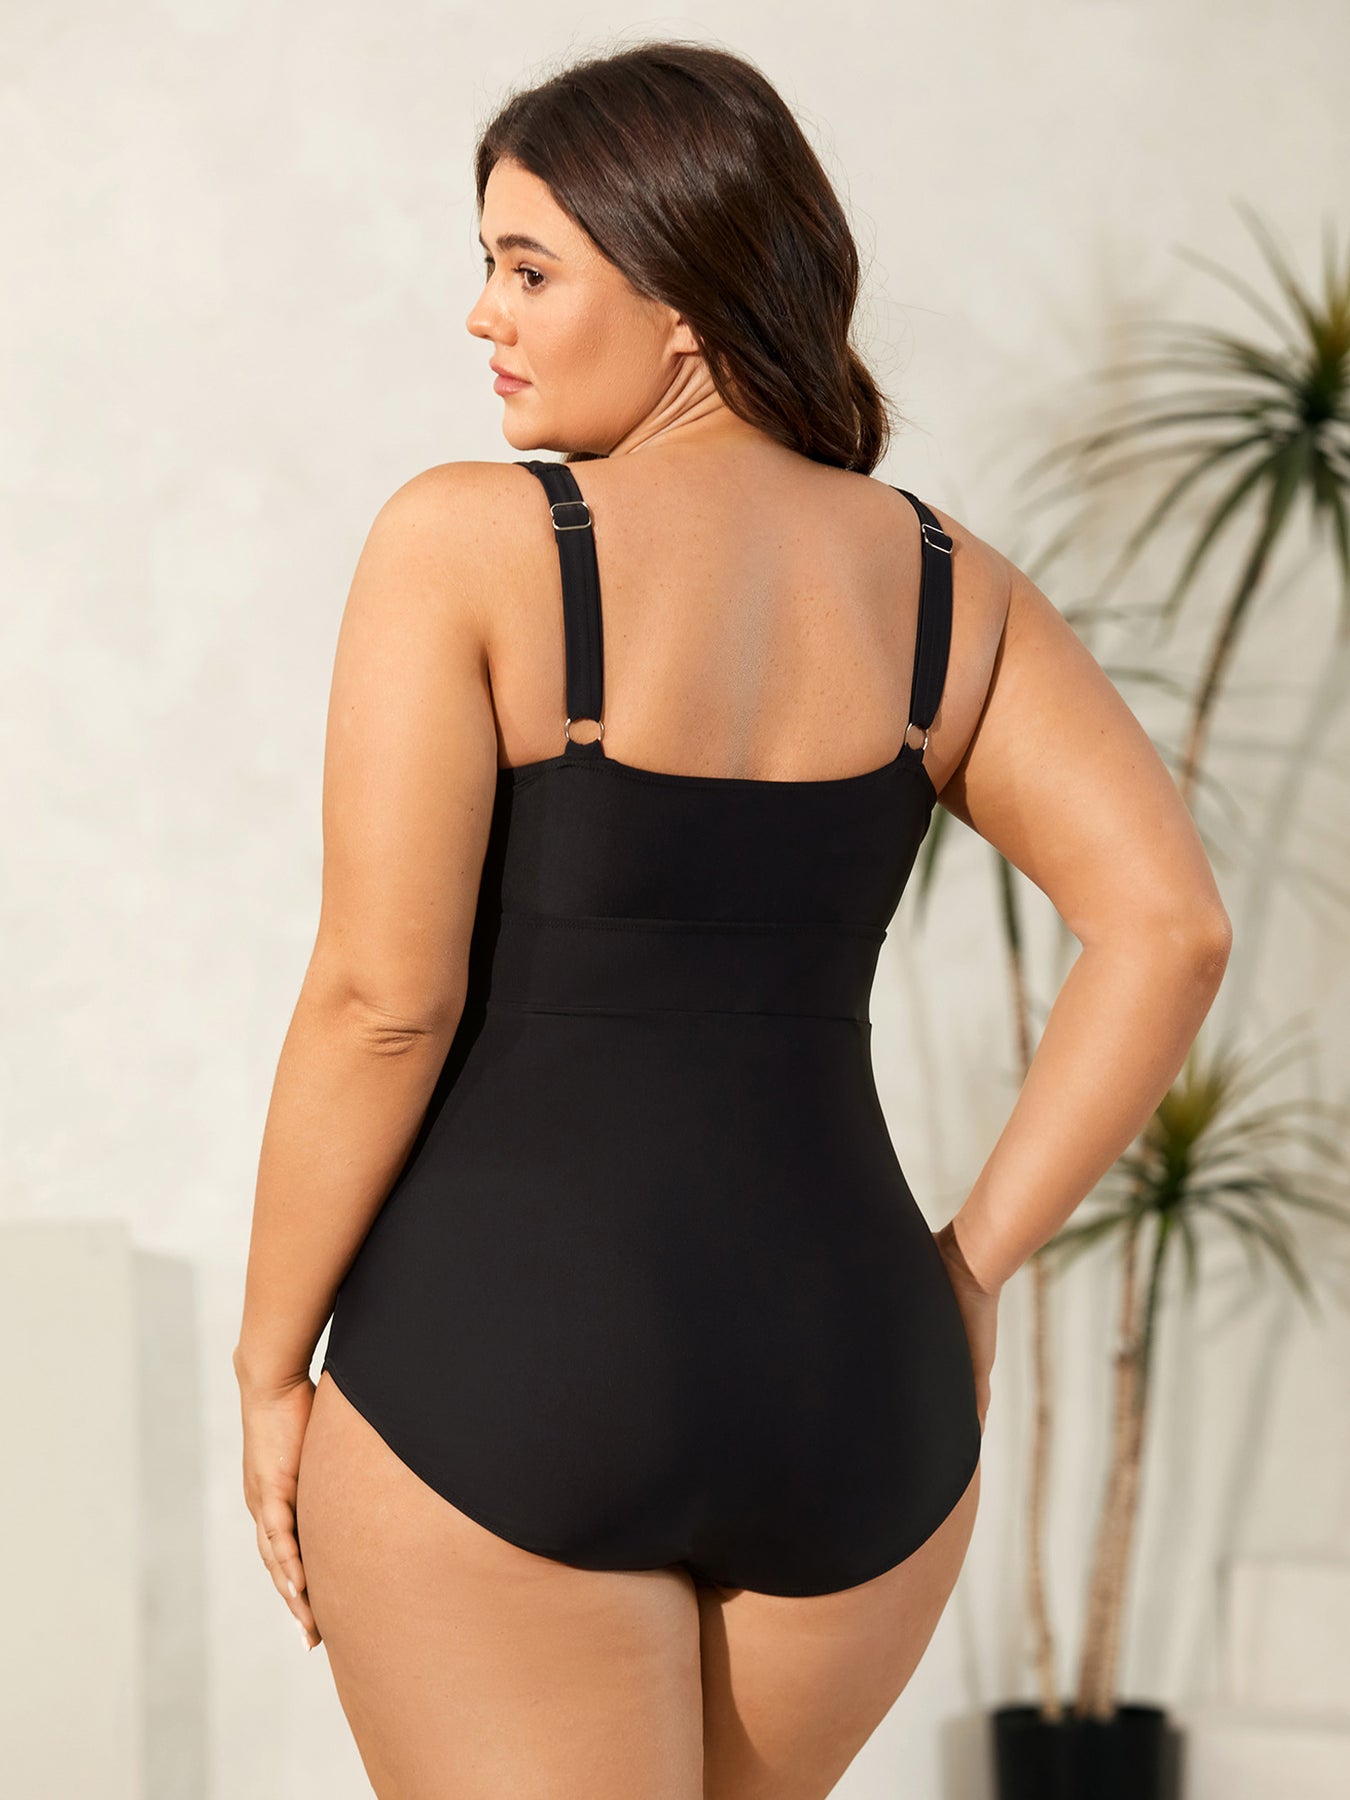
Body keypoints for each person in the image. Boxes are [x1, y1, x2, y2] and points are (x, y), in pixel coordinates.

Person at [232, 40, 1232, 1800]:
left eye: (527, 268)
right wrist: (970, 1267)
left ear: (682, 296)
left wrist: (265, 1365)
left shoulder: (467, 541)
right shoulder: (949, 587)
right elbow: (1169, 928)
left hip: (506, 1365)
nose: (482, 315)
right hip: (857, 1382)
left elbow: (384, 1000)